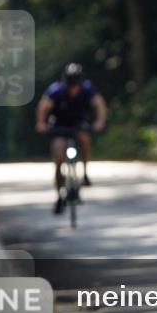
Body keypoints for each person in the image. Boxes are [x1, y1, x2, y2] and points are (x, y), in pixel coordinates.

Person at [36, 63, 108, 214]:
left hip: (79, 124)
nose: (73, 88)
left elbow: (99, 104)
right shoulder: (56, 90)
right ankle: (59, 195)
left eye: (76, 85)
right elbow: (43, 107)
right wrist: (41, 123)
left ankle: (85, 171)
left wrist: (100, 122)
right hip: (60, 125)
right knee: (58, 156)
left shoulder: (87, 88)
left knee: (84, 138)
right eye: (71, 85)